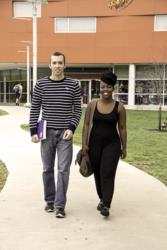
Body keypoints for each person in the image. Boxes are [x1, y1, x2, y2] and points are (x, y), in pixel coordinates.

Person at [29, 51, 81, 218]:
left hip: (65, 134)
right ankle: (50, 202)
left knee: (63, 170)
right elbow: (35, 109)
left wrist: (71, 128)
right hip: (46, 132)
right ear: (49, 65)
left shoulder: (74, 85)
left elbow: (77, 110)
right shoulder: (40, 84)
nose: (57, 66)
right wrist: (33, 131)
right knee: (47, 169)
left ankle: (60, 206)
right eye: (54, 63)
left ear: (65, 65)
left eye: (60, 63)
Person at [82, 71, 127, 217]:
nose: (105, 90)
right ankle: (102, 198)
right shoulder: (92, 105)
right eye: (102, 87)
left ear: (113, 88)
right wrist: (84, 144)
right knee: (97, 173)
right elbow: (87, 124)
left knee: (107, 172)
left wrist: (124, 147)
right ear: (99, 87)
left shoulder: (119, 107)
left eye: (108, 87)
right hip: (94, 143)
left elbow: (122, 128)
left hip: (112, 144)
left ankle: (106, 204)